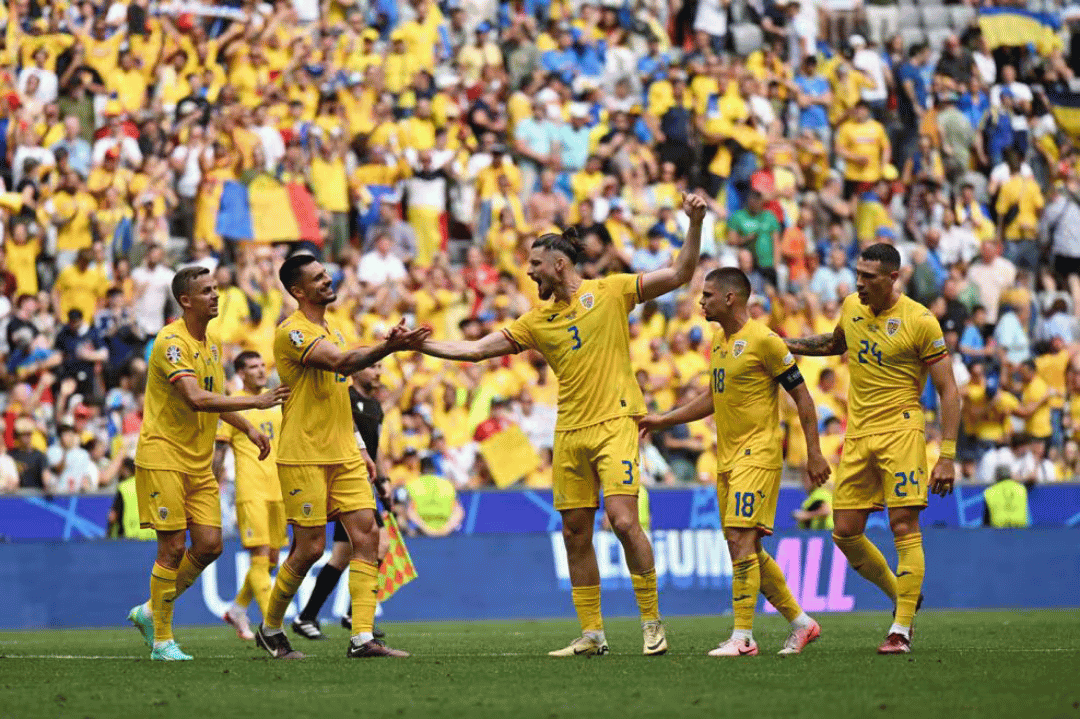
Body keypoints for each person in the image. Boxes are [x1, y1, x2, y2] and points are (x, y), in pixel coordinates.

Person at [415, 193, 708, 657]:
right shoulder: (536, 321)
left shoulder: (611, 290)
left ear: (558, 264)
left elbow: (679, 274)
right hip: (569, 432)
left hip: (614, 422)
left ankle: (652, 622)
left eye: (535, 264)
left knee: (625, 522)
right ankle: (592, 634)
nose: (528, 272)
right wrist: (421, 346)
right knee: (575, 531)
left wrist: (694, 223)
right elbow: (475, 350)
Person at [638, 267, 830, 657]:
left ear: (730, 298)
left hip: (757, 454)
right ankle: (801, 622)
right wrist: (664, 419)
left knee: (742, 541)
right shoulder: (720, 342)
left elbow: (804, 399)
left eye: (707, 294)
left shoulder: (765, 340)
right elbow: (714, 396)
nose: (700, 301)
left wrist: (813, 452)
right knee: (744, 548)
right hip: (726, 456)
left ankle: (743, 637)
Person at [783, 243, 961, 655]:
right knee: (845, 533)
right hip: (859, 433)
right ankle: (903, 593)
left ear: (893, 278)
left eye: (869, 277)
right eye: (858, 274)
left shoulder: (920, 321)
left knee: (903, 526)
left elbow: (950, 391)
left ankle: (900, 629)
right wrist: (786, 343)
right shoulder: (851, 305)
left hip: (901, 430)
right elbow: (835, 344)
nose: (859, 282)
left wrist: (947, 455)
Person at [254, 254, 429, 661]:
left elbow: (338, 395)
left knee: (366, 536)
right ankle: (271, 627)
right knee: (310, 548)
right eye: (317, 278)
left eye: (325, 274)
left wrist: (361, 448)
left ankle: (362, 637)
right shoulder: (292, 333)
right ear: (298, 291)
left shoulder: (331, 327)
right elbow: (341, 363)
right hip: (304, 455)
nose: (327, 280)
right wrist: (390, 345)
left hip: (344, 453)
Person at [126, 267, 289, 661]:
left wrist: (248, 428)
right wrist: (254, 402)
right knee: (171, 548)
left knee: (211, 545)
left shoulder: (213, 342)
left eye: (216, 289)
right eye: (206, 291)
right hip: (163, 455)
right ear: (186, 300)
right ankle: (162, 639)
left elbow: (216, 398)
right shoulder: (170, 342)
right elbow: (196, 398)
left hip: (197, 463)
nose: (216, 296)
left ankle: (150, 609)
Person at [292, 363, 393, 641]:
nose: (377, 371)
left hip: (366, 483)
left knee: (342, 555)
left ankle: (308, 615)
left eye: (379, 366)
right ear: (356, 371)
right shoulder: (344, 397)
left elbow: (376, 446)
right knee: (377, 544)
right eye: (371, 366)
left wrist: (384, 479)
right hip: (347, 481)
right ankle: (350, 614)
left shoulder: (375, 406)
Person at [214, 351, 286, 641]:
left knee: (270, 560)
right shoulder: (233, 405)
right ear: (241, 373)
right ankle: (274, 627)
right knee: (258, 557)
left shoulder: (278, 400)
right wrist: (211, 482)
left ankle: (237, 609)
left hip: (280, 489)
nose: (260, 371)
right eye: (253, 367)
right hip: (251, 489)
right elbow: (219, 453)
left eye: (262, 366)